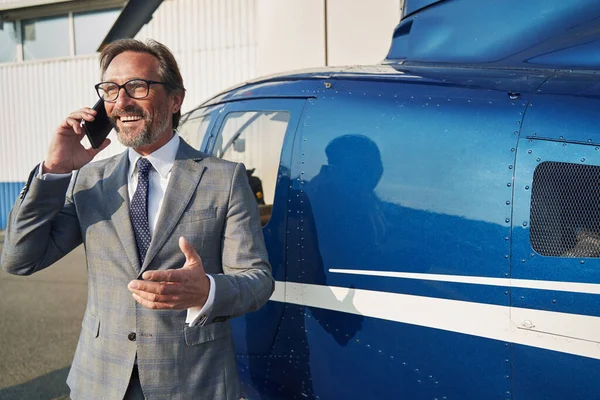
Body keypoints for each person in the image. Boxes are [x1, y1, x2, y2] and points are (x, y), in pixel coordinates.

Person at [0, 39, 274, 400]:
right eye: (110, 90)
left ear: (175, 100)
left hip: (193, 381)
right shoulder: (90, 179)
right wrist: (53, 170)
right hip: (100, 380)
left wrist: (207, 290)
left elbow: (257, 280)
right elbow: (20, 259)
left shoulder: (223, 179)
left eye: (137, 87)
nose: (121, 102)